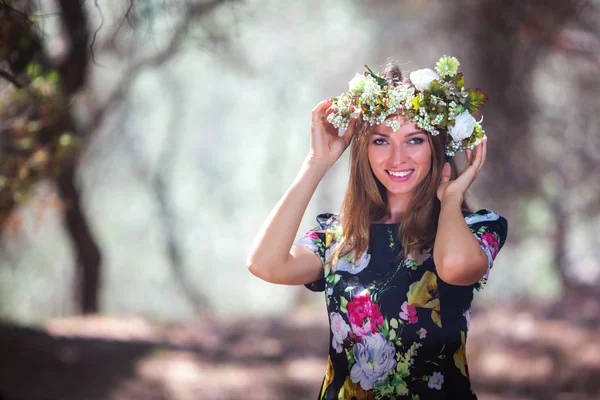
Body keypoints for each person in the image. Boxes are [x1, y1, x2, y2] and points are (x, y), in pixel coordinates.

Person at [247, 55, 508, 399]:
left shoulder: (478, 229)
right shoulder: (338, 239)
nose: (397, 158)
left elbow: (455, 267)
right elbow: (265, 264)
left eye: (414, 140)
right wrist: (316, 163)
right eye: (381, 140)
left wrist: (450, 200)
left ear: (437, 148)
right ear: (364, 150)